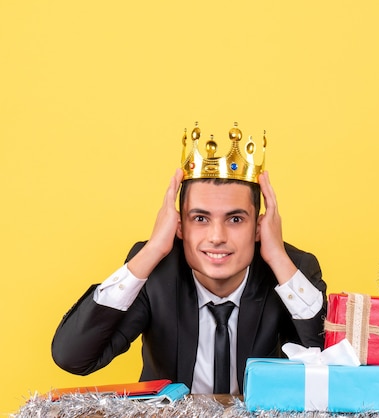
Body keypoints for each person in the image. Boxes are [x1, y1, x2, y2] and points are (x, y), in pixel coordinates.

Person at [52, 126, 327, 395]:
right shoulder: (155, 270)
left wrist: (278, 258)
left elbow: (331, 362)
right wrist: (152, 251)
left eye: (235, 219)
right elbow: (73, 357)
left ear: (258, 226)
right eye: (200, 218)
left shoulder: (291, 269)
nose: (217, 237)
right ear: (179, 226)